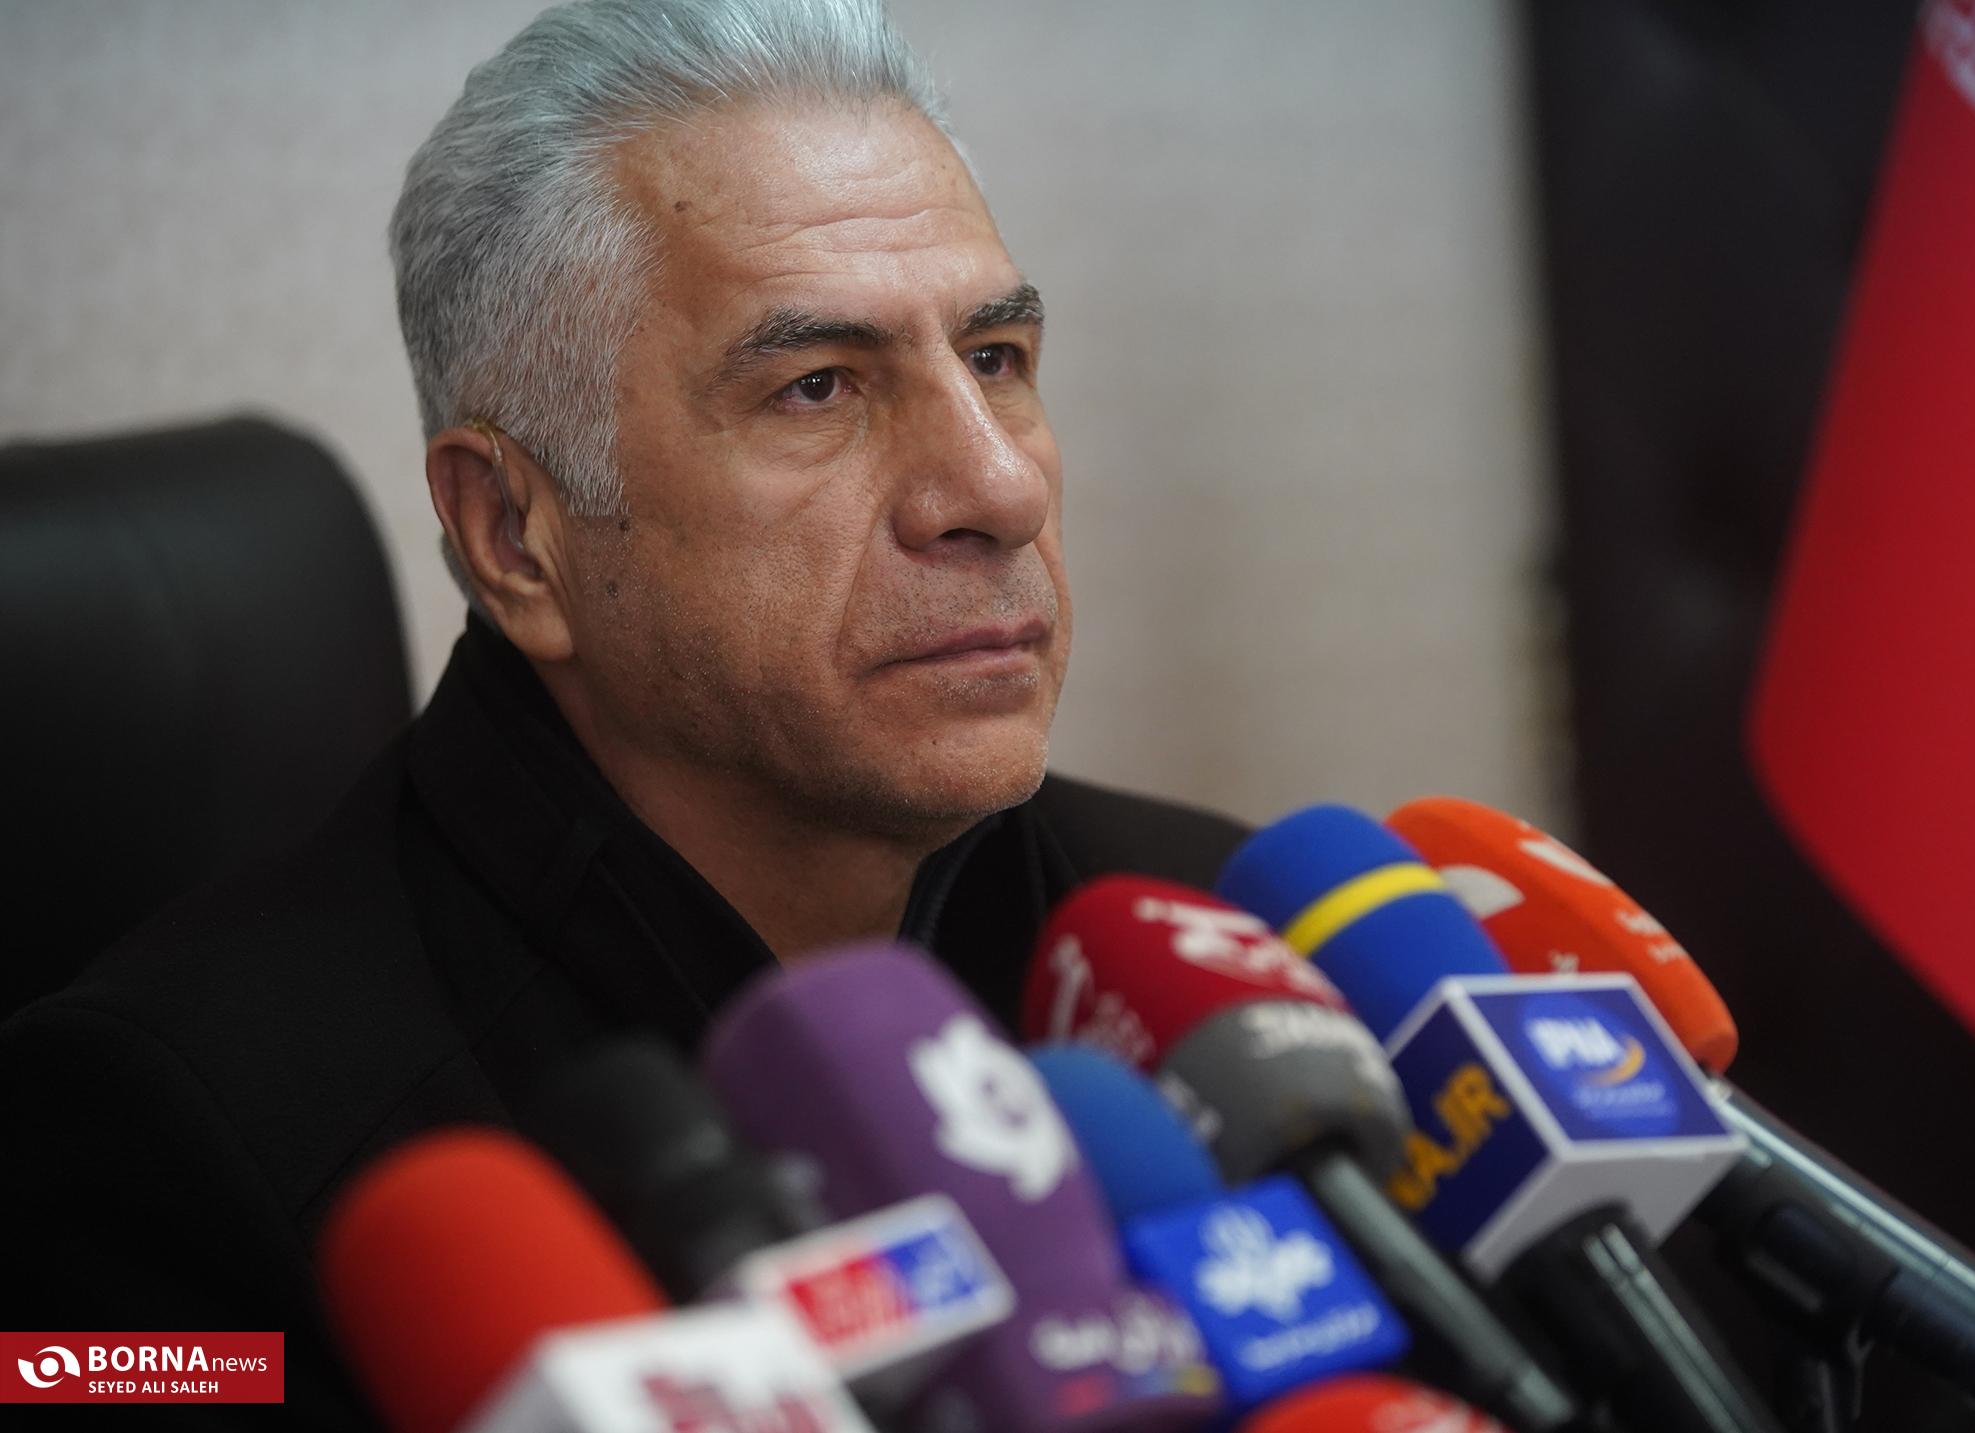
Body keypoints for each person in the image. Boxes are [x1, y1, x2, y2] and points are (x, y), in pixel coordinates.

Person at [0, 2, 1245, 1425]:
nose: (999, 490)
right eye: (818, 387)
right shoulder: (171, 1137)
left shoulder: (1220, 953)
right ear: (515, 534)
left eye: (996, 358)